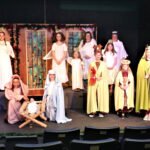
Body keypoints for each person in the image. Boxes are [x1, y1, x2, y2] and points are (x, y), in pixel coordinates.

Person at [87, 48, 109, 118]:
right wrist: (95, 77)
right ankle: (93, 111)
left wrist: (101, 78)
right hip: (94, 81)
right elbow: (90, 73)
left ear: (101, 56)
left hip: (101, 82)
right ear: (95, 56)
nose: (98, 56)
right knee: (93, 95)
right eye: (97, 55)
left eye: (99, 55)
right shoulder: (91, 64)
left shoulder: (104, 64)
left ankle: (101, 111)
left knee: (101, 95)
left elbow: (105, 74)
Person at [136, 45, 150, 121]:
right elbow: (139, 73)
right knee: (146, 97)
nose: (148, 53)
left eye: (149, 52)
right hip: (145, 82)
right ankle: (147, 113)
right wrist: (144, 76)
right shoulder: (142, 61)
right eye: (147, 51)